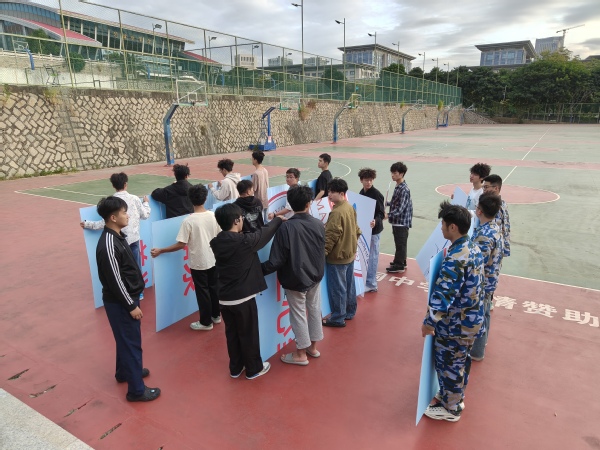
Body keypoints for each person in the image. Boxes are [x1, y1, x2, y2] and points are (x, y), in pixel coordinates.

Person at [421, 201, 485, 422]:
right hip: (470, 321)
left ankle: (451, 409)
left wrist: (428, 323)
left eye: (443, 224)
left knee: (450, 362)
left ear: (453, 227)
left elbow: (443, 297)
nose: (441, 228)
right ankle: (453, 396)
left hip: (456, 325)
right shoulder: (473, 248)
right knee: (460, 361)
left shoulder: (456, 258)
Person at [95, 196, 160, 402]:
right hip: (121, 302)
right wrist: (131, 305)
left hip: (125, 298)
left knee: (125, 339)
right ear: (113, 218)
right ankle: (137, 391)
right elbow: (115, 280)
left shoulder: (118, 236)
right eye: (124, 212)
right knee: (131, 342)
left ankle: (125, 372)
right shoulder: (108, 243)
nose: (128, 215)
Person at [210, 203, 283, 380]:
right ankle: (253, 369)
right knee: (249, 334)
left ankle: (236, 368)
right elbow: (263, 234)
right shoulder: (244, 242)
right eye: (241, 218)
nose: (243, 220)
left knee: (232, 334)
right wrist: (278, 220)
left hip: (224, 298)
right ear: (236, 220)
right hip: (242, 298)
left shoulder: (216, 242)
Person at [262, 186, 325, 365]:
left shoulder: (286, 227)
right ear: (308, 204)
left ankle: (301, 353)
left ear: (290, 203)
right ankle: (312, 348)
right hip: (315, 276)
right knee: (314, 310)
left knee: (298, 314)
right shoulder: (318, 224)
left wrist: (257, 270)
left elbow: (275, 260)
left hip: (295, 278)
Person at [150, 185, 221, 331]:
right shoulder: (213, 215)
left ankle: (206, 322)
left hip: (198, 262)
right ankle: (216, 315)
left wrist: (161, 250)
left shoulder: (189, 221)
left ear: (190, 199)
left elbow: (181, 244)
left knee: (203, 292)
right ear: (205, 198)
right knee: (214, 288)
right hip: (213, 259)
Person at [80, 172, 150, 270]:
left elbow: (104, 223)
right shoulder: (135, 199)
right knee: (136, 268)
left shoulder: (111, 202)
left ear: (113, 185)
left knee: (120, 268)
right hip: (134, 239)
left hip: (118, 241)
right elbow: (145, 215)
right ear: (125, 184)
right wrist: (146, 203)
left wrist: (88, 224)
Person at [322, 178, 361, 328]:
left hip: (337, 257)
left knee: (338, 289)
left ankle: (338, 317)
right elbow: (356, 229)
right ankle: (350, 311)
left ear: (341, 193)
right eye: (329, 191)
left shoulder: (336, 212)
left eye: (332, 192)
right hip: (349, 254)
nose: (329, 195)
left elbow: (331, 237)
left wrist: (323, 253)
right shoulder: (349, 207)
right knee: (349, 286)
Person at [470, 193, 503, 361]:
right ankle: (483, 343)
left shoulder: (484, 235)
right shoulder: (495, 228)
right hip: (491, 280)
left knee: (479, 316)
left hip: (483, 282)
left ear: (479, 211)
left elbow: (478, 263)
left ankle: (477, 351)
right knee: (485, 313)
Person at [358, 168, 385, 293]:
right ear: (361, 180)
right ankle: (365, 279)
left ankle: (372, 283)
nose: (368, 182)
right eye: (366, 180)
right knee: (364, 255)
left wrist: (375, 221)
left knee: (373, 256)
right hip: (365, 229)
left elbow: (381, 213)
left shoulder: (376, 194)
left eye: (370, 180)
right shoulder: (361, 193)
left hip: (374, 230)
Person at [386, 162, 413, 274]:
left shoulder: (404, 189)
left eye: (395, 173)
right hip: (398, 221)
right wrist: (387, 203)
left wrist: (388, 215)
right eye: (392, 173)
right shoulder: (398, 186)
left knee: (400, 244)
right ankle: (401, 261)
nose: (392, 175)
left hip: (401, 222)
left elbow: (400, 208)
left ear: (401, 174)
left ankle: (399, 265)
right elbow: (396, 202)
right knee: (400, 243)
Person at [482, 175, 511, 258]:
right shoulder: (502, 203)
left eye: (486, 187)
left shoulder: (493, 207)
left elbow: (495, 232)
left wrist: (491, 256)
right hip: (499, 248)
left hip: (493, 252)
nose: (484, 190)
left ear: (496, 188)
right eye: (483, 187)